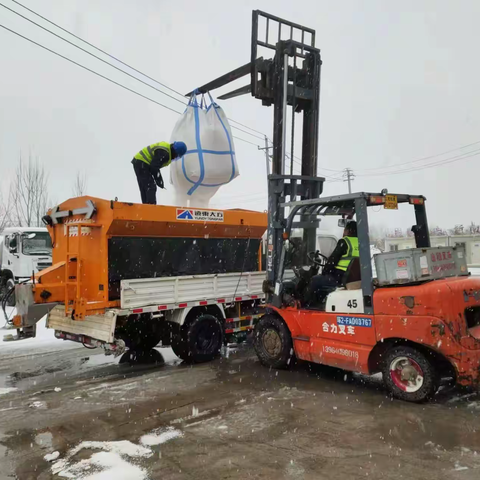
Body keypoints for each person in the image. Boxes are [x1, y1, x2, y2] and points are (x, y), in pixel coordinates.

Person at [306, 221, 359, 305]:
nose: (343, 232)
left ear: (348, 230)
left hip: (340, 278)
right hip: (354, 278)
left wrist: (324, 272)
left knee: (314, 280)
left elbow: (332, 261)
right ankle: (321, 302)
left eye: (344, 230)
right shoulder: (362, 243)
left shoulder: (345, 242)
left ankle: (308, 305)